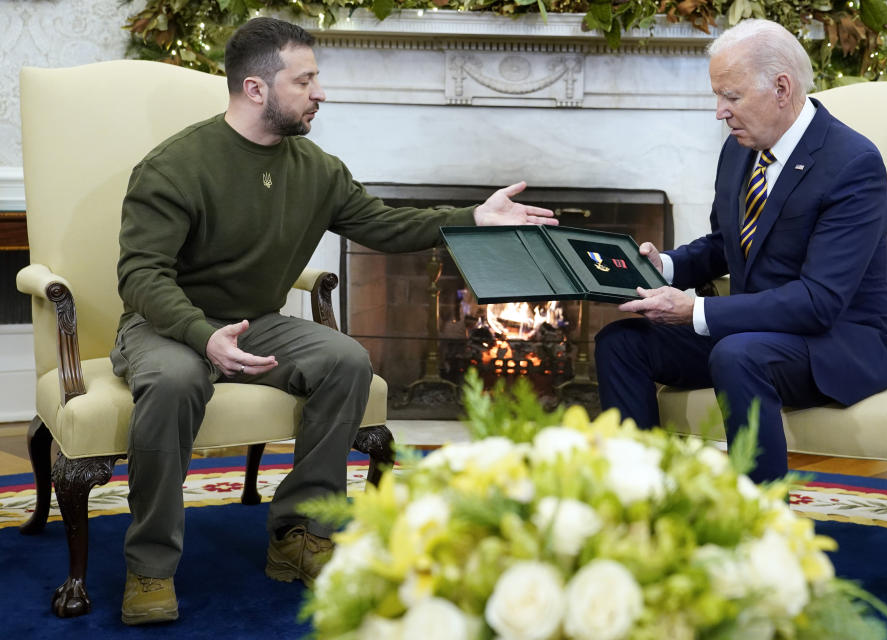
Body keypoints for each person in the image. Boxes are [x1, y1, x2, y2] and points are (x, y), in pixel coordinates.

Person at [113, 16, 557, 625]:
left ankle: (302, 534)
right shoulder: (175, 166)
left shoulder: (316, 169)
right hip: (168, 325)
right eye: (306, 80)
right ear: (256, 89)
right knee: (175, 381)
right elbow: (140, 278)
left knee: (346, 361)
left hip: (254, 322)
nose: (321, 92)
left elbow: (384, 226)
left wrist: (474, 218)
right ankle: (150, 568)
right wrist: (202, 336)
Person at [594, 19, 887, 484]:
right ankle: (638, 498)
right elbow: (725, 244)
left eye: (732, 96)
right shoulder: (740, 149)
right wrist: (664, 266)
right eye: (717, 96)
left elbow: (819, 302)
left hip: (836, 341)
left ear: (781, 88)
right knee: (621, 343)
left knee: (737, 355)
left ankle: (759, 524)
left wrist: (696, 311)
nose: (720, 112)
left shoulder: (853, 164)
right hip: (752, 331)